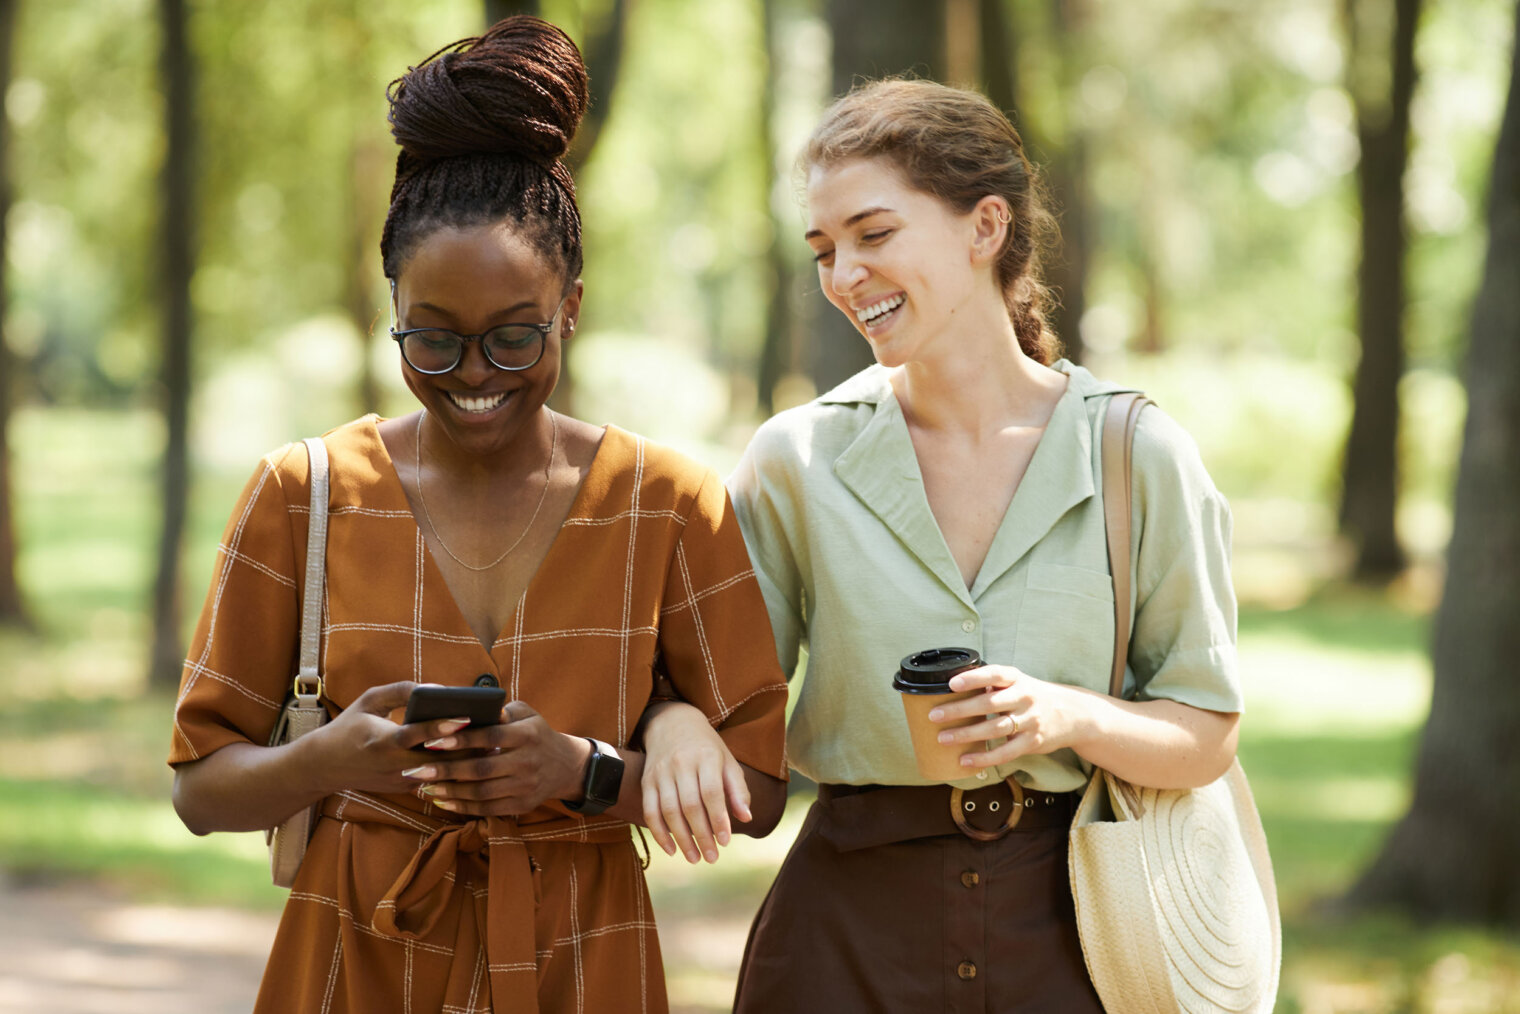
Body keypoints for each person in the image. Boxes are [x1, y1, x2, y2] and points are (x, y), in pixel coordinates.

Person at [167, 17, 787, 1013]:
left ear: (570, 306)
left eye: (512, 340)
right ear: (390, 310)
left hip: (584, 964)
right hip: (352, 963)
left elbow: (756, 791)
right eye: (433, 341)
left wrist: (579, 771)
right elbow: (200, 786)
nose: (472, 380)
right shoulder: (302, 492)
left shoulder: (669, 503)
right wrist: (330, 757)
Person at [640, 78, 1246, 1011]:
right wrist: (672, 716)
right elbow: (717, 689)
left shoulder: (1134, 453)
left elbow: (1204, 732)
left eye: (874, 236)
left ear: (985, 227)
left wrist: (1067, 717)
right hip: (841, 940)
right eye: (824, 250)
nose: (844, 276)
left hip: (1080, 936)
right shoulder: (799, 458)